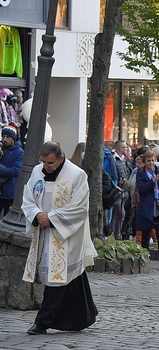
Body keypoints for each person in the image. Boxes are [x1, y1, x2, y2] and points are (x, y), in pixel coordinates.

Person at [22, 141, 98, 334]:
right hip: (43, 231)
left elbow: (80, 207)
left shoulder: (77, 175)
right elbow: (28, 198)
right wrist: (37, 214)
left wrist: (52, 218)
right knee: (71, 277)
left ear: (61, 158)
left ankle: (42, 322)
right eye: (43, 162)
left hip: (66, 235)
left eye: (50, 163)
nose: (46, 167)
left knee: (58, 277)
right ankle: (81, 317)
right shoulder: (37, 172)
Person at [135, 149, 159, 269]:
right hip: (147, 208)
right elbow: (143, 190)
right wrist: (153, 181)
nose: (151, 163)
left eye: (153, 160)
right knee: (145, 235)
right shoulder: (141, 174)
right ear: (144, 162)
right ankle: (145, 260)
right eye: (148, 161)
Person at [0, 125, 23, 216]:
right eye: (3, 136)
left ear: (13, 138)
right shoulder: (2, 149)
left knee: (6, 218)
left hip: (9, 192)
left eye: (8, 137)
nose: (5, 139)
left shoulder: (19, 152)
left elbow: (16, 170)